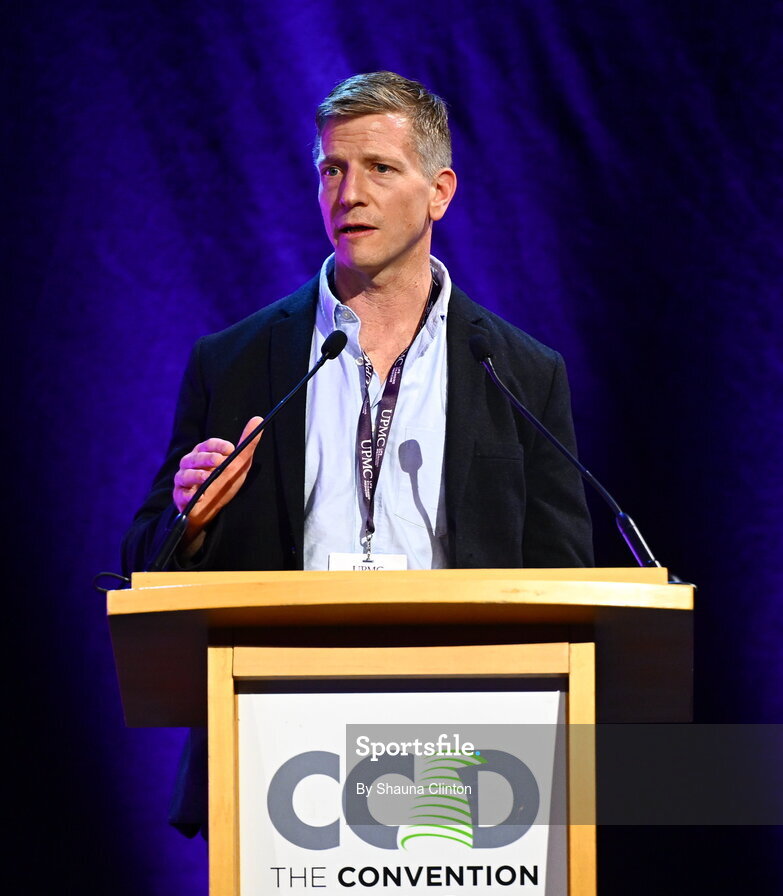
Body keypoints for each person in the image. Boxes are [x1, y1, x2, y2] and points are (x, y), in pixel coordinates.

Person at [122, 71, 593, 834]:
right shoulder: (235, 361)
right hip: (277, 750)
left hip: (469, 751)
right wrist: (192, 519)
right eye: (331, 170)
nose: (349, 192)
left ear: (439, 191)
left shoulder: (516, 370)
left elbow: (564, 576)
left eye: (379, 168)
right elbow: (146, 559)